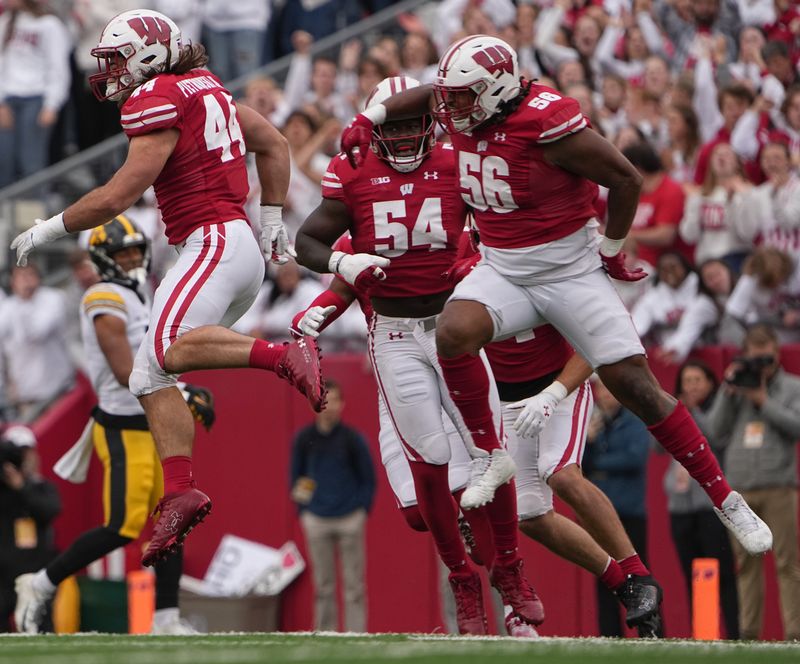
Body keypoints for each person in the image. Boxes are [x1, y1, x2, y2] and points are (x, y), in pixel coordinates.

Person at [339, 34, 772, 557]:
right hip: (502, 266)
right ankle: (491, 455)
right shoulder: (464, 107)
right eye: (449, 97)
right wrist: (370, 117)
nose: (449, 106)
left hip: (569, 270)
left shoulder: (546, 122)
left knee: (637, 387)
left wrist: (611, 249)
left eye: (460, 96)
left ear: (496, 89)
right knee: (453, 331)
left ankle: (725, 497)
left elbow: (625, 178)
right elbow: (429, 92)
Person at [8, 9, 325, 568]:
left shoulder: (158, 96)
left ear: (150, 57)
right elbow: (272, 143)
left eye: (115, 60)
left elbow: (115, 196)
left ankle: (284, 355)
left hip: (211, 244)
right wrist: (272, 220)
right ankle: (181, 490)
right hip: (233, 247)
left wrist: (47, 227)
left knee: (167, 348)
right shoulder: (207, 90)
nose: (108, 73)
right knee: (147, 373)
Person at [295, 231, 663, 636]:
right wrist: (309, 318)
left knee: (532, 476)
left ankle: (530, 594)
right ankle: (605, 580)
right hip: (404, 363)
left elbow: (584, 325)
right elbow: (334, 280)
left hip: (471, 366)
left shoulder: (471, 231)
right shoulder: (363, 224)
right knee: (427, 513)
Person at [296, 75, 543, 635]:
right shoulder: (354, 168)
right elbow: (308, 239)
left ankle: (508, 567)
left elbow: (509, 218)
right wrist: (342, 265)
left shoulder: (461, 162)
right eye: (394, 126)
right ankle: (462, 578)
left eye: (412, 124)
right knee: (429, 463)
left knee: (489, 450)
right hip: (395, 335)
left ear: (431, 123)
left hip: (456, 328)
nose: (405, 136)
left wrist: (481, 261)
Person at [13, 217, 215, 635]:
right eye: (120, 253)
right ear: (104, 259)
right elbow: (128, 370)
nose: (129, 260)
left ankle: (166, 618)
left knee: (173, 521)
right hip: (123, 425)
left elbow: (153, 359)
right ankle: (41, 582)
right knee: (122, 526)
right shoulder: (102, 295)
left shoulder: (134, 293)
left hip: (151, 421)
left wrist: (183, 387)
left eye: (133, 252)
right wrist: (181, 394)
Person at [706, 324, 800, 641]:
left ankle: (795, 635)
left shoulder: (792, 386)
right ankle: (749, 635)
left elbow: (797, 426)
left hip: (779, 485)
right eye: (756, 360)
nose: (762, 367)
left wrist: (763, 401)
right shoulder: (738, 387)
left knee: (788, 564)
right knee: (745, 566)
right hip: (741, 489)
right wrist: (727, 389)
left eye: (768, 360)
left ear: (777, 354)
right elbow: (715, 431)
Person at [290, 380, 375, 632]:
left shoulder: (352, 439)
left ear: (343, 404)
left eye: (334, 400)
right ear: (314, 403)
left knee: (354, 585)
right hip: (316, 519)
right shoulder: (304, 439)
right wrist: (304, 511)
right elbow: (298, 477)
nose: (329, 406)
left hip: (350, 518)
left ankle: (356, 636)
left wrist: (361, 510)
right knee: (323, 585)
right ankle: (325, 633)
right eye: (325, 400)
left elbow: (368, 479)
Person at [666, 360, 739, 640]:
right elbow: (657, 447)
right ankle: (705, 633)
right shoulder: (675, 410)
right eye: (688, 380)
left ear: (710, 383)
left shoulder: (719, 406)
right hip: (680, 504)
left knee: (722, 573)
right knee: (693, 573)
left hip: (711, 506)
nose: (693, 386)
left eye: (698, 379)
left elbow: (714, 434)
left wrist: (690, 412)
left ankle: (734, 633)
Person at [583, 379, 652, 638]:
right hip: (599, 512)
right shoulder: (593, 421)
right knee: (604, 576)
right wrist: (588, 441)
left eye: (611, 388)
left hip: (629, 511)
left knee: (639, 577)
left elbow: (634, 458)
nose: (605, 394)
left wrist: (599, 463)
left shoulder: (633, 419)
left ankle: (650, 632)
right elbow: (580, 464)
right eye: (601, 388)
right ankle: (610, 636)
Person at [0, 426, 60, 633]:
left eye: (25, 452)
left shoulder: (41, 487)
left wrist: (21, 487)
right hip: (3, 574)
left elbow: (50, 511)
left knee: (40, 626)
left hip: (36, 572)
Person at [0, 264, 75, 422]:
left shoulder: (54, 298)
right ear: (12, 282)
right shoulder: (6, 307)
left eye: (30, 274)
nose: (26, 280)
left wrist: (24, 300)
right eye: (21, 276)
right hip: (26, 395)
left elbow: (36, 332)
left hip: (58, 391)